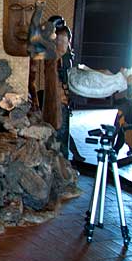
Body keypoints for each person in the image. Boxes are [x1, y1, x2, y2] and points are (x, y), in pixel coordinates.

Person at [43, 15, 84, 163]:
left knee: (62, 136)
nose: (65, 44)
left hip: (62, 102)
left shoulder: (63, 58)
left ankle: (65, 162)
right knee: (59, 137)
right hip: (57, 103)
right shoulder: (53, 58)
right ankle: (61, 163)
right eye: (61, 41)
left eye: (66, 41)